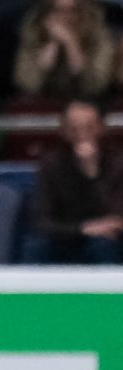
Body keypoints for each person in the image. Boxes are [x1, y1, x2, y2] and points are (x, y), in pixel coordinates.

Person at [26, 100, 123, 263]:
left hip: (108, 240)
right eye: (74, 128)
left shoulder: (118, 164)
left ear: (101, 128)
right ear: (63, 131)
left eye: (89, 127)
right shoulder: (51, 165)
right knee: (36, 246)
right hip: (66, 237)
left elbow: (115, 217)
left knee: (103, 244)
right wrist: (82, 229)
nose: (82, 135)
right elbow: (41, 220)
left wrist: (91, 173)